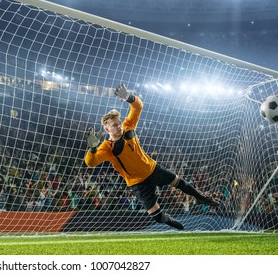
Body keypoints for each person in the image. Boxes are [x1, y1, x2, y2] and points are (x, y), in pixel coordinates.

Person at [84, 84, 220, 230]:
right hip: (137, 183)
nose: (119, 126)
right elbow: (91, 163)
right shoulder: (106, 147)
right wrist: (92, 148)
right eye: (115, 125)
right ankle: (167, 219)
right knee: (156, 216)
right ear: (107, 128)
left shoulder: (128, 126)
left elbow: (138, 107)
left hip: (152, 169)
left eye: (119, 123)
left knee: (179, 182)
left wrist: (128, 97)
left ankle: (201, 198)